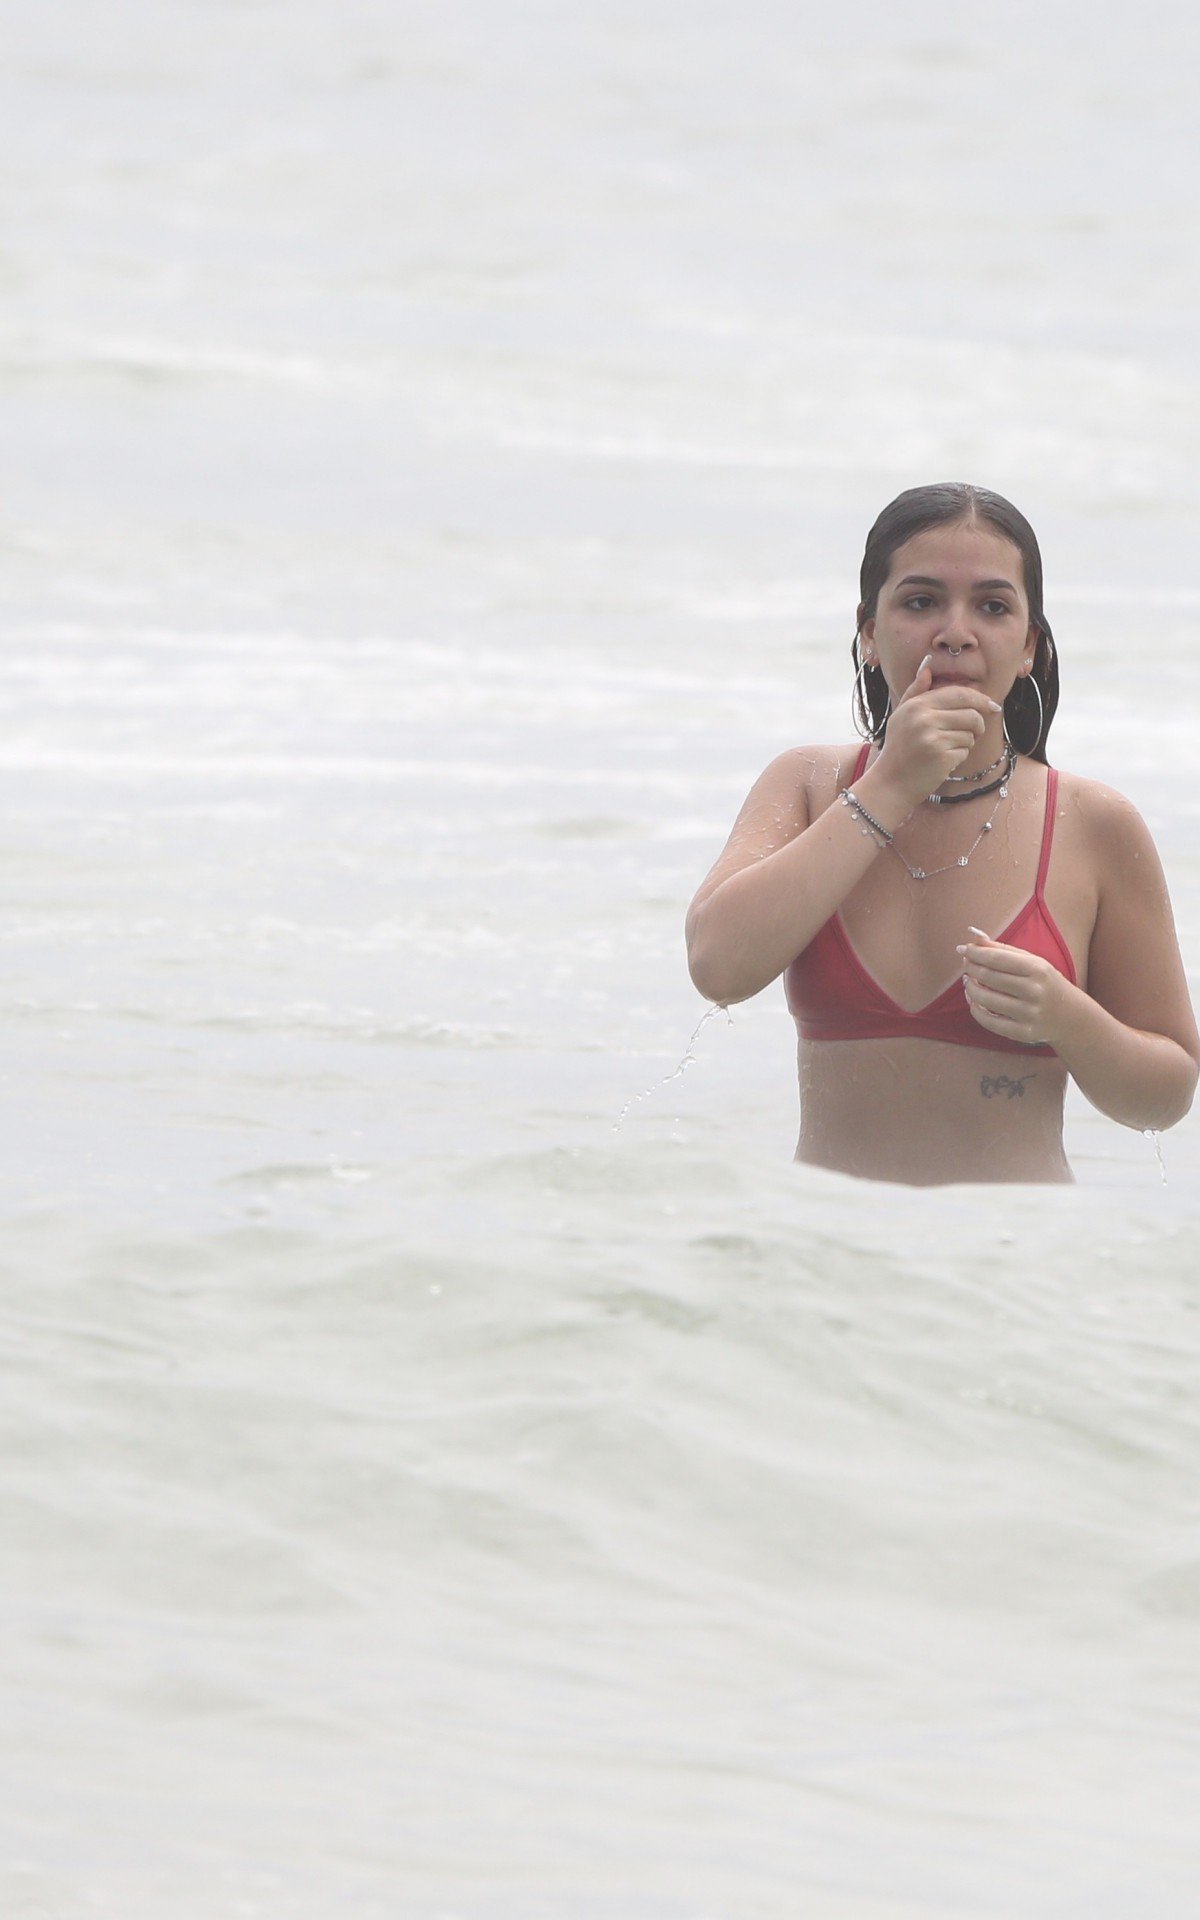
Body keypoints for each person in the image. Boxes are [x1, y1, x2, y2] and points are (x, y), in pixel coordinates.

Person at [685, 482, 1198, 1185]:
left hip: (1014, 1268)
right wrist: (890, 785)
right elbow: (717, 968)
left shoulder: (1094, 823)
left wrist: (1069, 1020)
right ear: (869, 632)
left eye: (992, 606)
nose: (956, 630)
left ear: (1029, 647)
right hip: (822, 1261)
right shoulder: (806, 786)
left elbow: (1166, 1097)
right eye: (921, 601)